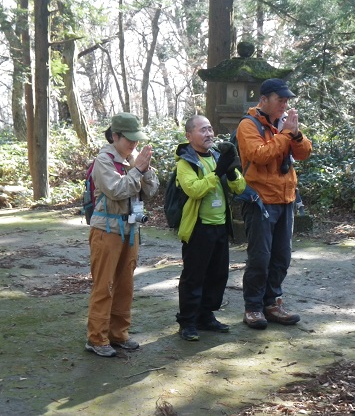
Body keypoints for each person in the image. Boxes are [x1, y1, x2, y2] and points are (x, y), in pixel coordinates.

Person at [236, 79, 312, 330]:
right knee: (260, 257)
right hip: (260, 200)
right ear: (264, 100)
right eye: (280, 100)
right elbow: (259, 155)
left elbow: (303, 153)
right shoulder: (248, 125)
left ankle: (272, 303)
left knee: (281, 256)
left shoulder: (284, 125)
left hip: (286, 198)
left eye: (287, 100)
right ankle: (253, 307)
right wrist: (286, 134)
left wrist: (296, 134)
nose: (285, 104)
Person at [85, 112, 159, 357]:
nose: (134, 144)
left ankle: (118, 334)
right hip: (107, 230)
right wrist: (137, 170)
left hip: (131, 229)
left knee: (125, 285)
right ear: (115, 136)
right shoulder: (103, 160)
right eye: (129, 139)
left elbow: (152, 190)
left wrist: (145, 170)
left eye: (136, 140)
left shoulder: (134, 158)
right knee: (104, 285)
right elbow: (116, 189)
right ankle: (97, 338)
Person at [174, 115, 246, 341]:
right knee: (194, 276)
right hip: (198, 228)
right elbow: (194, 190)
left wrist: (232, 171)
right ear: (189, 135)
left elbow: (240, 188)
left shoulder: (217, 156)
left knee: (217, 274)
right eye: (202, 130)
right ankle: (187, 321)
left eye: (210, 129)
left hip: (220, 226)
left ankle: (206, 316)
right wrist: (217, 173)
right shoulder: (185, 162)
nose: (209, 134)